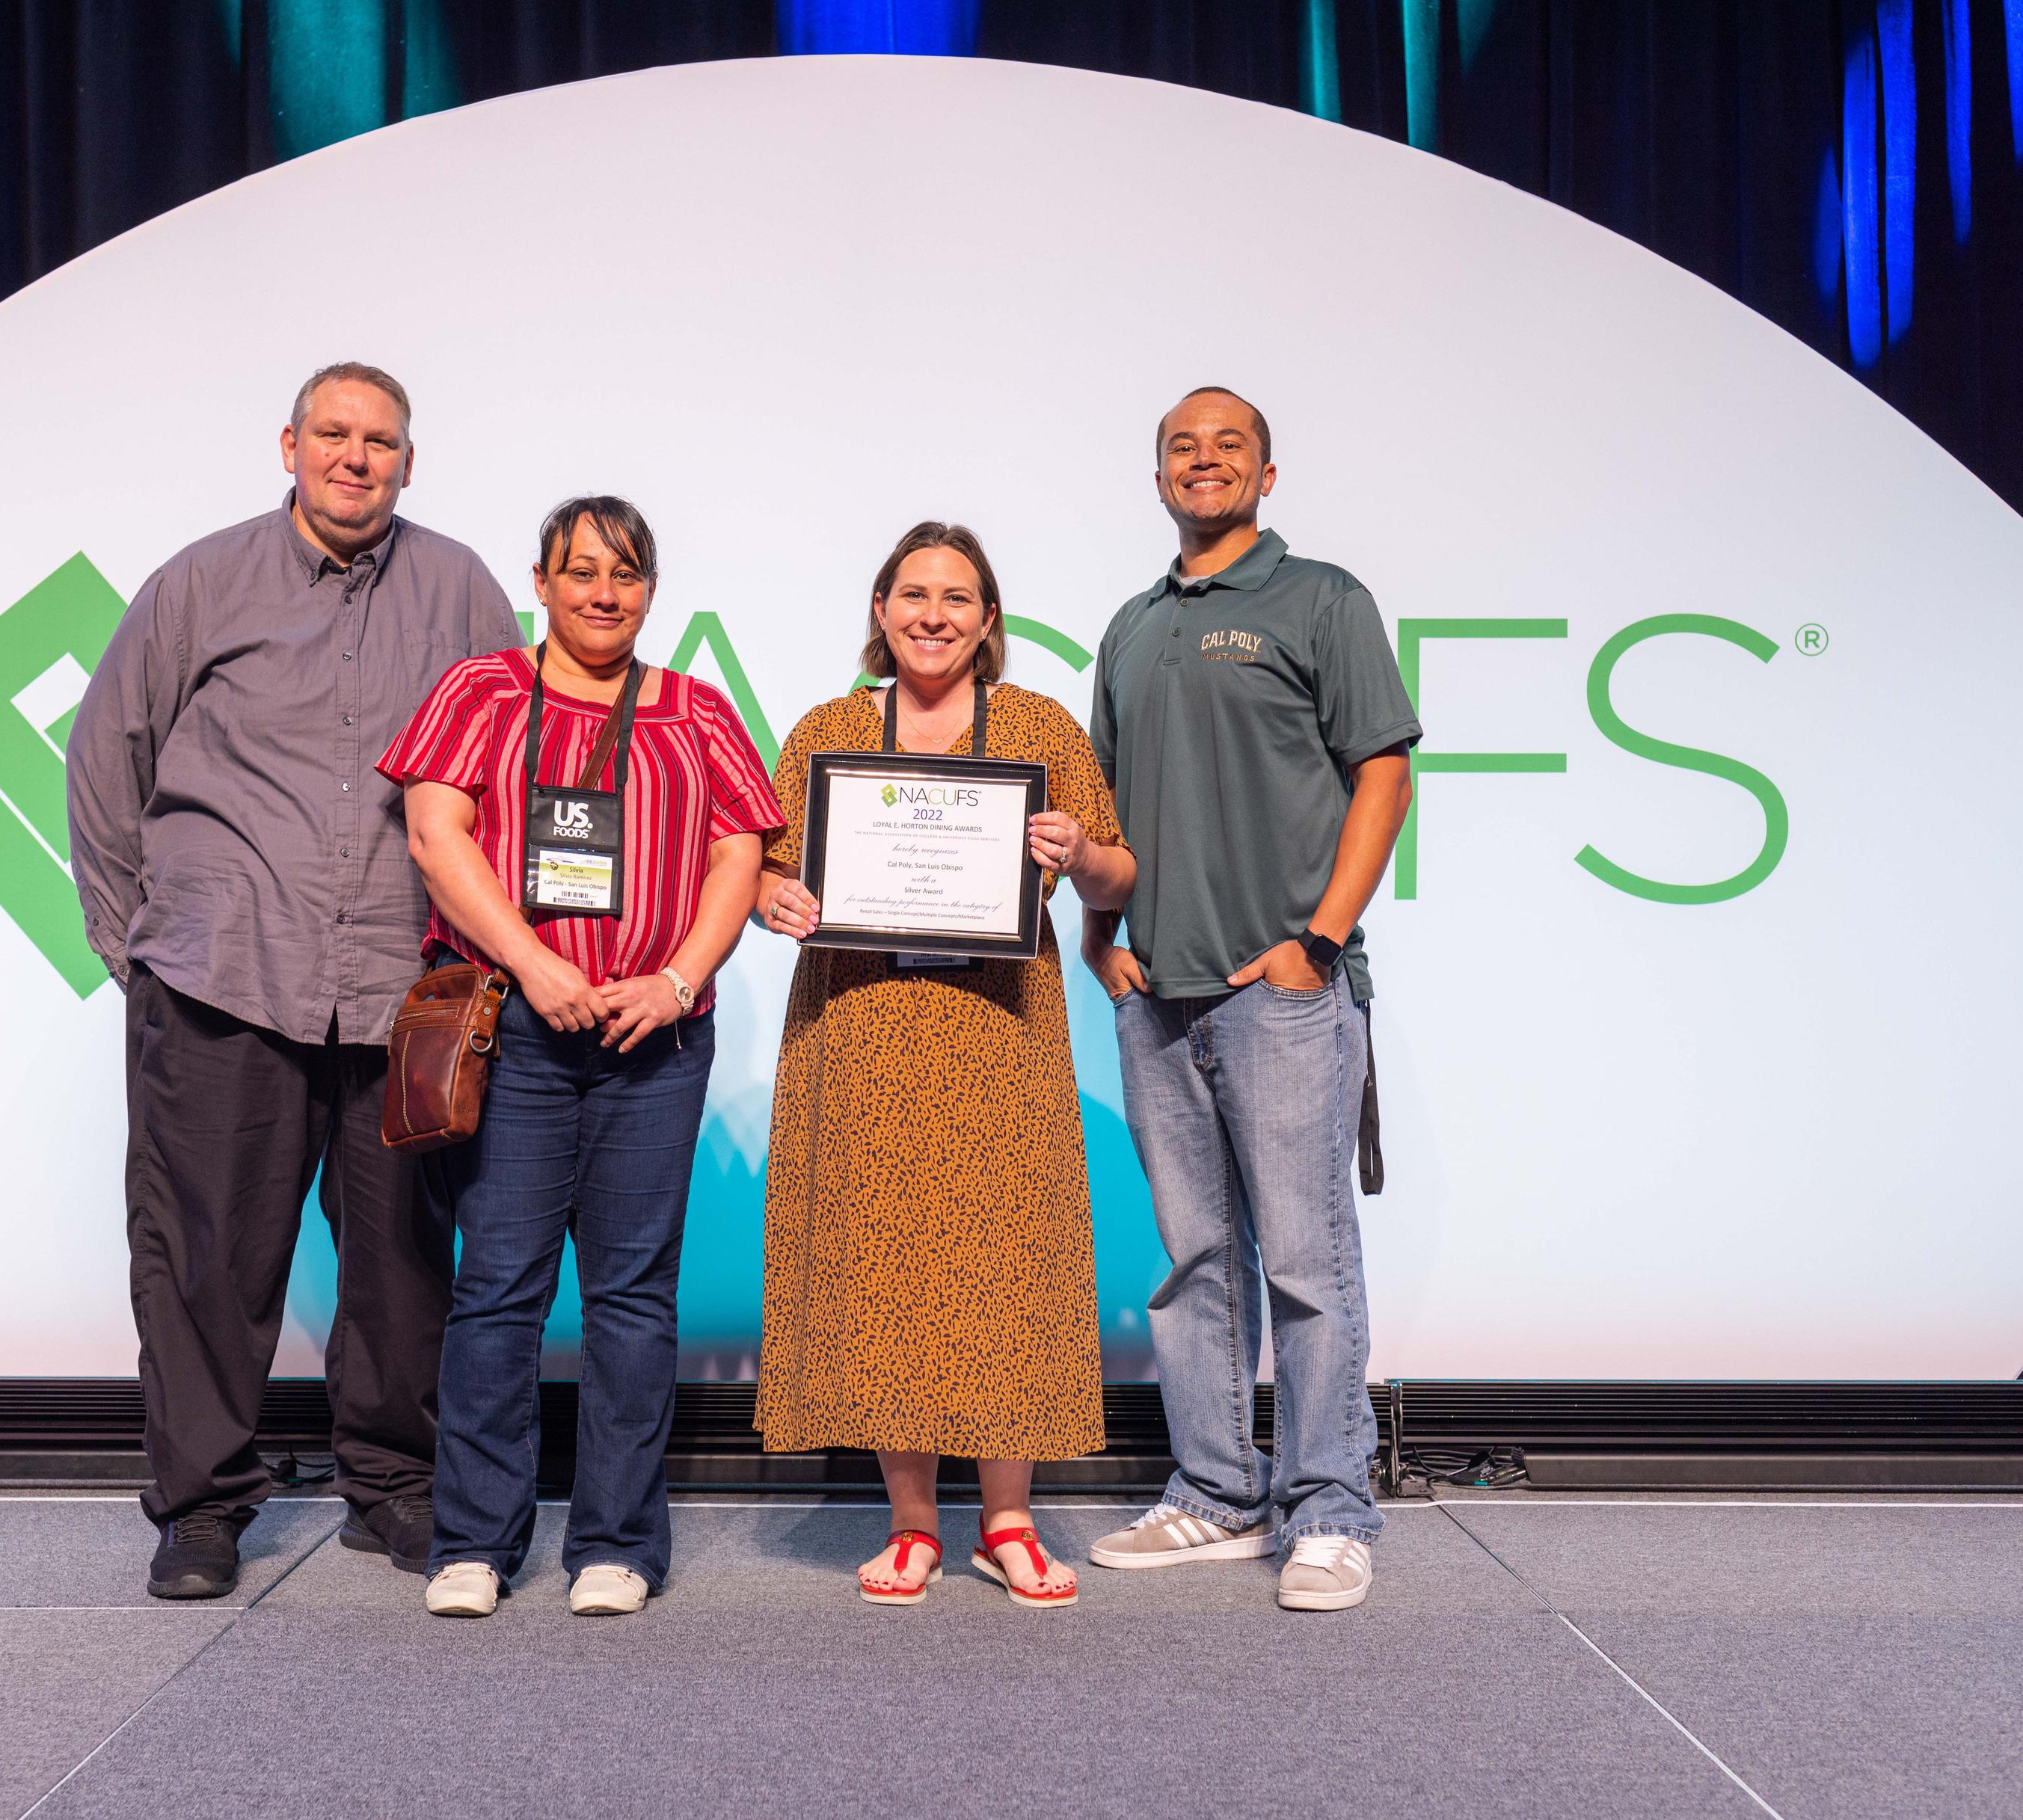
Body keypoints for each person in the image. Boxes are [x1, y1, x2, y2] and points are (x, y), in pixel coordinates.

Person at [67, 362, 523, 1599]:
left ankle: (395, 1486)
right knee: (205, 1252)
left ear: (410, 462)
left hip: (403, 987)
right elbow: (107, 760)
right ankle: (204, 1508)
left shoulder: (465, 589)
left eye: (381, 439)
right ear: (289, 444)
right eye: (334, 433)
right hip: (222, 977)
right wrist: (138, 947)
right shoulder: (199, 582)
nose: (356, 457)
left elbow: (513, 781)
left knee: (404, 1259)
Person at [381, 495, 782, 1619]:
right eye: (582, 571)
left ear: (650, 589)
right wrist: (532, 966)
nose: (604, 592)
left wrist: (677, 980)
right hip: (515, 1030)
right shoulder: (483, 691)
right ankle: (472, 1540)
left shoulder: (696, 710)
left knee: (633, 1297)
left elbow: (738, 855)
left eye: (627, 574)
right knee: (498, 1289)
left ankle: (614, 1541)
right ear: (543, 582)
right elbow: (433, 830)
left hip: (653, 1039)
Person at [754, 523, 1137, 1608]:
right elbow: (766, 870)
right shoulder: (827, 729)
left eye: (957, 596)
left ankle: (1006, 1520)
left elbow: (1116, 875)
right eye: (913, 593)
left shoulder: (1037, 725)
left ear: (989, 618)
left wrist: (1077, 851)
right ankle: (915, 1523)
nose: (934, 614)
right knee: (885, 1257)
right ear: (880, 610)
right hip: (863, 1031)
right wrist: (768, 900)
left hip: (999, 1033)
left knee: (1004, 1255)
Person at [1081, 387, 1418, 1612]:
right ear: (1158, 474)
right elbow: (1107, 806)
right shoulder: (1131, 626)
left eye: (1229, 446)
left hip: (1280, 991)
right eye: (1183, 446)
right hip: (1154, 993)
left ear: (1267, 476)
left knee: (1309, 1258)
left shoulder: (1321, 598)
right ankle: (1216, 1493)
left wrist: (1316, 945)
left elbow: (1385, 771)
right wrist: (1099, 932)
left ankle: (1330, 1507)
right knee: (1192, 1259)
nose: (1204, 461)